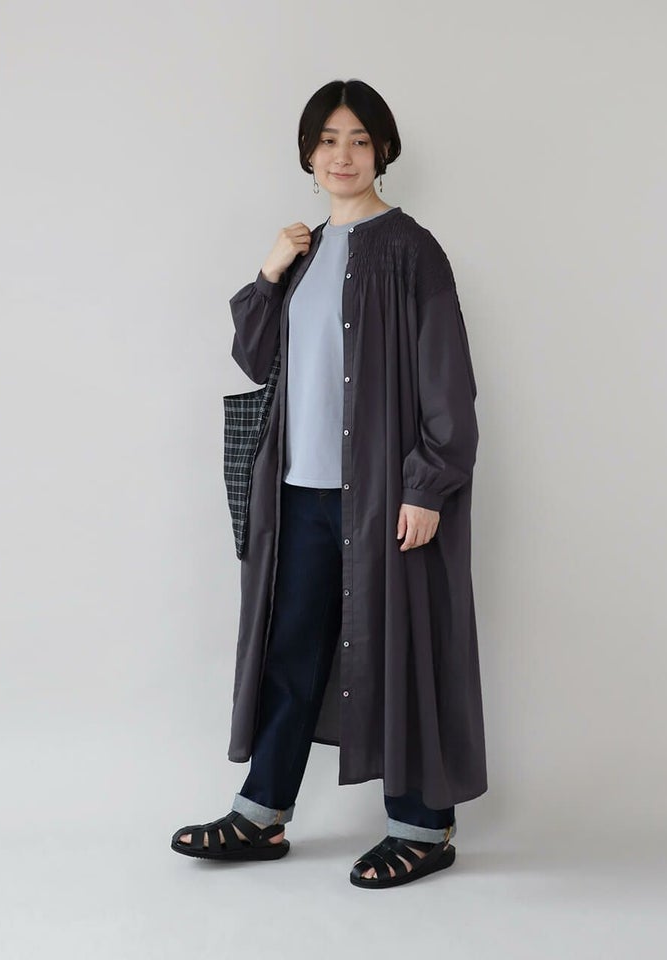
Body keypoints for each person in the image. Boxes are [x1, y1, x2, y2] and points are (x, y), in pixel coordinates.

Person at [171, 79, 488, 889]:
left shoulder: (411, 249)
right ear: (308, 154)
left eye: (358, 139)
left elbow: (448, 382)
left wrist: (429, 484)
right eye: (326, 139)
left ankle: (423, 826)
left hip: (384, 495)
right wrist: (270, 270)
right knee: (292, 650)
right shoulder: (304, 249)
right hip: (298, 493)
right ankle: (262, 814)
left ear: (383, 151)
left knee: (401, 648)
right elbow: (255, 357)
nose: (342, 154)